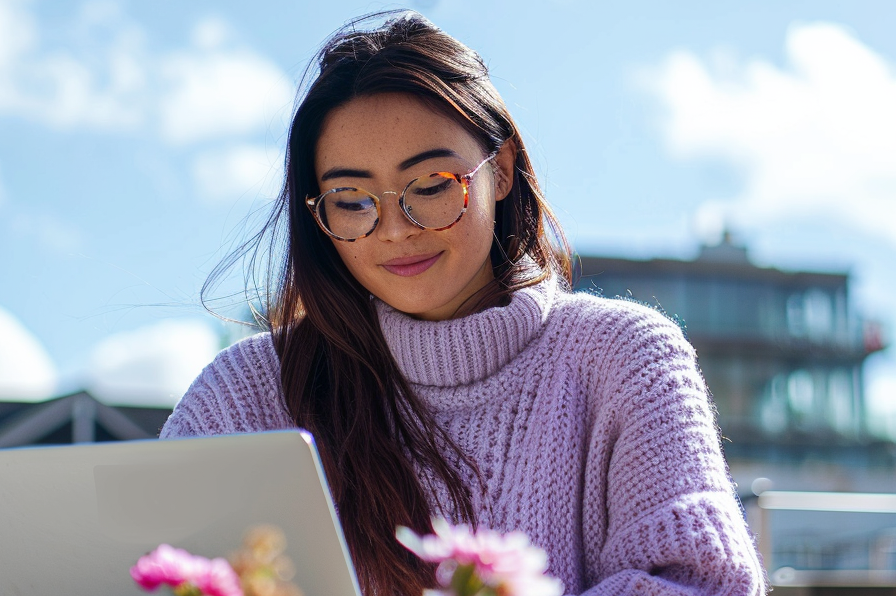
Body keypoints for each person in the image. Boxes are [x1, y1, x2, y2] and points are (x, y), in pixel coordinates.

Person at [160, 11, 766, 596]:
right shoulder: (245, 393)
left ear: (501, 170)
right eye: (351, 200)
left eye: (430, 186)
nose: (394, 229)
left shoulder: (626, 360)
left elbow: (705, 583)